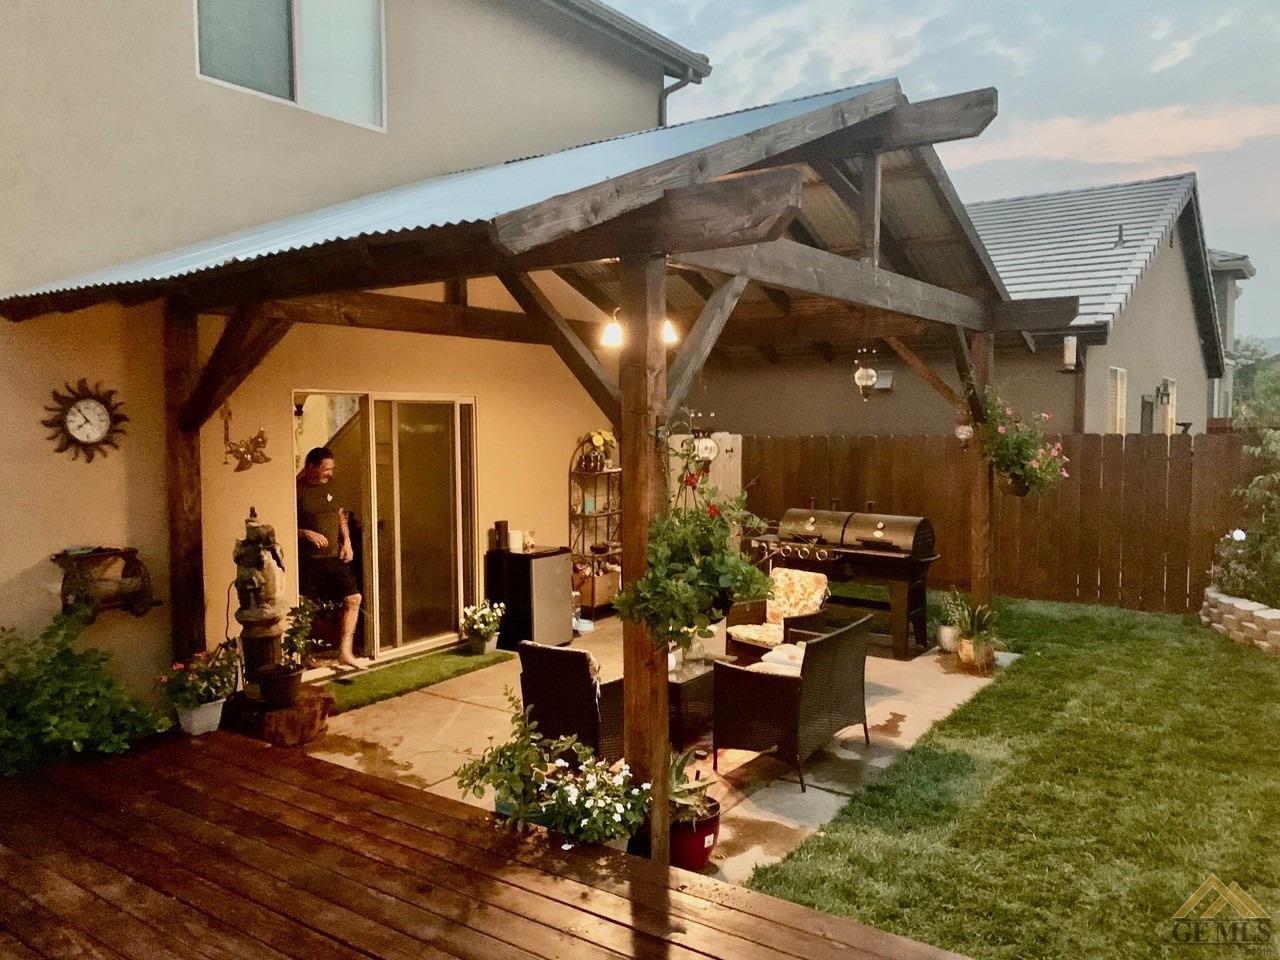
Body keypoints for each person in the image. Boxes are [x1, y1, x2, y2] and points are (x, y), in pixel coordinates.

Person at [296, 446, 365, 668]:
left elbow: (340, 515)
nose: (330, 473)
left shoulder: (332, 485)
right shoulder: (295, 489)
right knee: (305, 609)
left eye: (331, 469)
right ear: (310, 467)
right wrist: (305, 533)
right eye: (326, 469)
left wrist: (347, 542)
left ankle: (345, 652)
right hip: (308, 560)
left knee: (353, 598)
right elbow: (283, 525)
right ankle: (302, 656)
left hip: (333, 556)